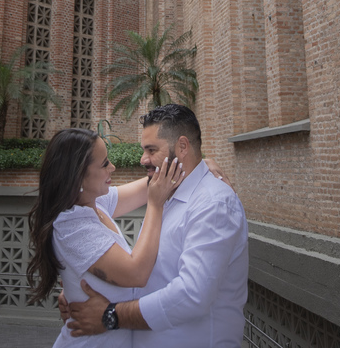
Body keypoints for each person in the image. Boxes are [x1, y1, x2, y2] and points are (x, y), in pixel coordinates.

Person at [66, 104, 249, 348]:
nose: (143, 159)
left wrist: (111, 315)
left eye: (151, 150)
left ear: (182, 147)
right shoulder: (164, 192)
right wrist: (76, 292)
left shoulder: (214, 204)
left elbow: (192, 296)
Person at [27, 127, 185, 347]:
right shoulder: (73, 225)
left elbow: (153, 185)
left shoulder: (95, 203)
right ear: (78, 176)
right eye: (104, 164)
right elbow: (137, 273)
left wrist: (199, 167)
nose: (113, 167)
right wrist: (155, 205)